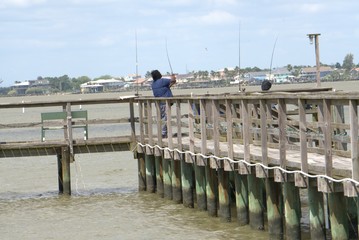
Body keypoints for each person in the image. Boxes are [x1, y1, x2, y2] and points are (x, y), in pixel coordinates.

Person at [151, 70, 176, 138]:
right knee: (166, 118)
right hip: (165, 103)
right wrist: (173, 77)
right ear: (158, 74)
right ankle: (163, 133)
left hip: (158, 104)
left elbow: (165, 88)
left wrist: (172, 82)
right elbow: (172, 80)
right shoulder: (162, 81)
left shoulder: (153, 83)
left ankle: (163, 133)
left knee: (162, 118)